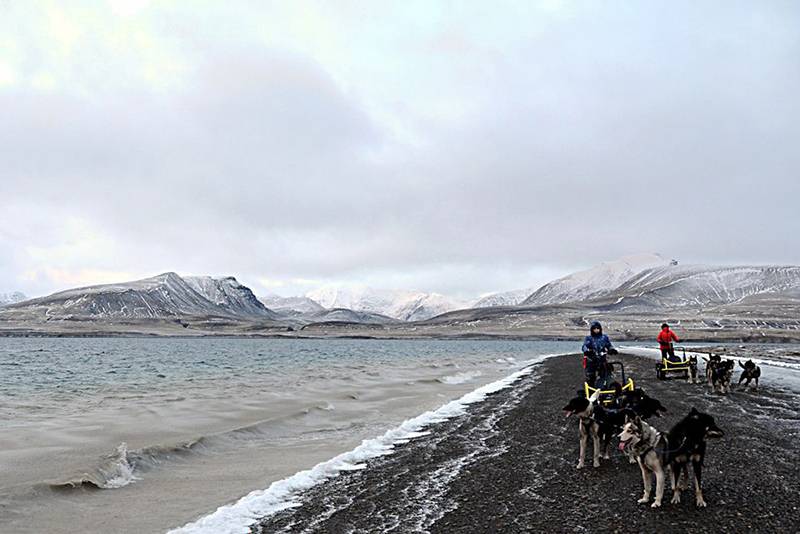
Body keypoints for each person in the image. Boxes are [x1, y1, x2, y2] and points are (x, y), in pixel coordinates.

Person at [581, 321, 618, 388]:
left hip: (602, 360)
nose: (596, 330)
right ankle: (591, 390)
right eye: (594, 329)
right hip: (592, 360)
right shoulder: (589, 338)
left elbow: (609, 345)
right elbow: (585, 346)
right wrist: (586, 351)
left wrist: (611, 350)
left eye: (598, 328)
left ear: (600, 329)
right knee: (590, 377)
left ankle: (603, 388)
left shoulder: (604, 337)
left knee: (605, 374)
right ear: (592, 330)